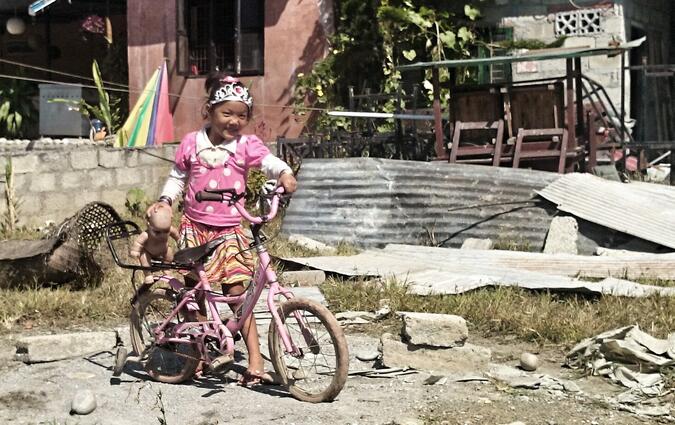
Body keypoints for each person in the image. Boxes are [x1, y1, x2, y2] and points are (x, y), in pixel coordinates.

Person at [155, 72, 297, 387]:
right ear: (209, 111)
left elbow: (270, 162)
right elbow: (178, 176)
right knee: (197, 294)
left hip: (230, 231)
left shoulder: (247, 146)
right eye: (227, 113)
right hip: (195, 229)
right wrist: (165, 200)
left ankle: (256, 363)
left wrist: (286, 174)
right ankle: (201, 355)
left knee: (238, 296)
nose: (234, 121)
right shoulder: (192, 143)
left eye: (242, 115)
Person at [129, 203, 179, 284]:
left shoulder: (170, 229)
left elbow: (176, 234)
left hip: (163, 249)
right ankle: (148, 274)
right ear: (149, 225)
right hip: (148, 251)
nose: (162, 235)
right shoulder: (146, 234)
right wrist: (135, 250)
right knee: (144, 258)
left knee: (169, 254)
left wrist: (179, 240)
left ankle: (166, 268)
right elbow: (138, 243)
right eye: (157, 232)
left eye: (165, 231)